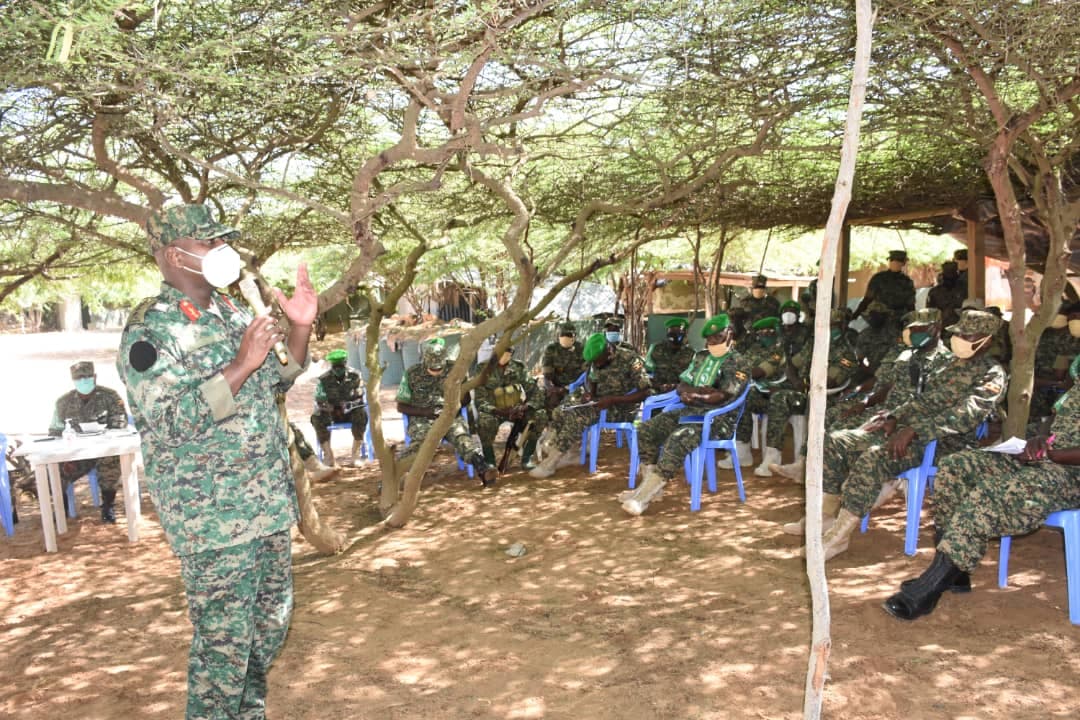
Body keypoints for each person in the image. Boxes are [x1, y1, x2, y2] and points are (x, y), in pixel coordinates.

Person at [117, 203, 316, 718]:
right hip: (214, 520)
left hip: (266, 505)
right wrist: (240, 363)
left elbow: (278, 376)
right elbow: (171, 420)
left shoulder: (229, 309)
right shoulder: (150, 331)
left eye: (221, 241)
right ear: (172, 254)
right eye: (208, 243)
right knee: (222, 655)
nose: (221, 252)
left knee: (266, 634)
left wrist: (299, 328)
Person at [795, 311, 1007, 561]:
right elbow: (923, 401)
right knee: (834, 442)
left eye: (966, 335)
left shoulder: (992, 374)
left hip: (943, 444)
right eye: (958, 333)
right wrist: (894, 417)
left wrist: (916, 430)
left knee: (874, 458)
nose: (958, 339)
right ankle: (825, 519)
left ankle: (837, 539)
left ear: (987, 340)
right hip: (907, 435)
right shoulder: (952, 365)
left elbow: (966, 415)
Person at [882, 366, 1080, 621]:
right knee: (956, 466)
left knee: (992, 493)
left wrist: (1053, 455)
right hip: (1046, 458)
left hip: (1071, 475)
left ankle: (929, 587)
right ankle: (955, 573)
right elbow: (1055, 423)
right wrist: (1040, 439)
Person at [621, 314, 751, 515]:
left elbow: (723, 394)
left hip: (717, 419)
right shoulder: (700, 356)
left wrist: (699, 393)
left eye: (716, 338)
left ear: (729, 334)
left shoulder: (738, 362)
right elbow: (683, 383)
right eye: (708, 339)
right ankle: (650, 488)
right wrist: (688, 393)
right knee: (646, 429)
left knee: (677, 438)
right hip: (690, 410)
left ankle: (642, 498)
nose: (712, 343)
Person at [750, 309, 858, 477]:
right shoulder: (815, 343)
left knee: (782, 397)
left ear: (843, 326)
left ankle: (799, 462)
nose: (829, 328)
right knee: (767, 394)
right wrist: (795, 382)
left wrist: (801, 386)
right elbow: (792, 365)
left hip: (823, 397)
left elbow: (828, 382)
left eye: (834, 325)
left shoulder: (847, 354)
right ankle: (770, 454)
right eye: (826, 324)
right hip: (800, 390)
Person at [529, 332, 651, 478]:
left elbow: (645, 391)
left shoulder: (630, 359)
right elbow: (592, 379)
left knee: (579, 416)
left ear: (608, 350)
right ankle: (570, 452)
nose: (596, 364)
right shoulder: (596, 360)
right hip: (599, 402)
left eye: (599, 361)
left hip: (622, 408)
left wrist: (613, 399)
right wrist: (589, 394)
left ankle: (552, 461)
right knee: (562, 409)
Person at [396, 340, 495, 486]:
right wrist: (425, 412)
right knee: (420, 442)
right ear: (425, 360)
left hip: (450, 416)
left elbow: (466, 399)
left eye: (439, 368)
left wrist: (453, 406)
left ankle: (483, 469)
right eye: (433, 369)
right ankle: (393, 477)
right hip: (422, 418)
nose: (436, 372)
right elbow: (401, 406)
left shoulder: (456, 370)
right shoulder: (412, 373)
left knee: (463, 439)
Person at [48, 360, 128, 523]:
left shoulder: (110, 396)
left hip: (105, 450)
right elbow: (55, 431)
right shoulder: (63, 402)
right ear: (73, 381)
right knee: (55, 469)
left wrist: (103, 431)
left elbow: (120, 423)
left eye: (87, 376)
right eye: (79, 378)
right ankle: (60, 509)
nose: (84, 381)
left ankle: (108, 506)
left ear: (95, 377)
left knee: (109, 464)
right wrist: (65, 457)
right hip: (77, 455)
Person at [474, 343, 546, 471]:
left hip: (517, 411)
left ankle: (527, 459)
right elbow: (480, 400)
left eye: (508, 355)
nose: (505, 357)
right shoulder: (483, 368)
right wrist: (498, 411)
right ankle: (490, 462)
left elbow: (535, 392)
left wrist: (525, 407)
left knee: (540, 416)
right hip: (495, 411)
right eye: (502, 353)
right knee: (484, 422)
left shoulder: (518, 367)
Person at [310, 348, 368, 466]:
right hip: (331, 413)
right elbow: (319, 399)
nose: (338, 369)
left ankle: (355, 455)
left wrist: (351, 404)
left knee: (361, 414)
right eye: (335, 366)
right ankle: (328, 456)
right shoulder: (323, 379)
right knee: (317, 417)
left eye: (340, 366)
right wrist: (329, 407)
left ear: (345, 363)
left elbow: (361, 395)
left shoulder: (355, 376)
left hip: (350, 411)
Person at [851, 250, 916, 334]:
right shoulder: (906, 281)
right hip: (886, 321)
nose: (894, 263)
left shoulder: (879, 278)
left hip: (886, 321)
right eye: (893, 260)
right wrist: (855, 315)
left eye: (895, 261)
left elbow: (867, 300)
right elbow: (911, 306)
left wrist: (855, 315)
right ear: (903, 263)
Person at [541, 321, 585, 410]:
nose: (565, 337)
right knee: (549, 404)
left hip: (575, 387)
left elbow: (585, 374)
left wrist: (569, 388)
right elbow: (547, 375)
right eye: (562, 334)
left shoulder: (581, 349)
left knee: (574, 408)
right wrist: (552, 389)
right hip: (556, 388)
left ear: (574, 336)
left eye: (568, 335)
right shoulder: (552, 349)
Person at [644, 317, 695, 391]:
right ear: (667, 332)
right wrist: (657, 385)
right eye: (673, 332)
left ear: (685, 334)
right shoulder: (656, 348)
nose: (675, 335)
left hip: (680, 392)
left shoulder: (692, 353)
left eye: (679, 332)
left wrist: (676, 386)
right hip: (657, 390)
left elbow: (692, 377)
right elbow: (646, 372)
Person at [926, 261, 966, 336]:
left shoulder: (964, 290)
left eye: (951, 272)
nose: (949, 276)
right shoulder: (934, 292)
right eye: (948, 273)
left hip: (959, 330)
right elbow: (930, 314)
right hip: (942, 330)